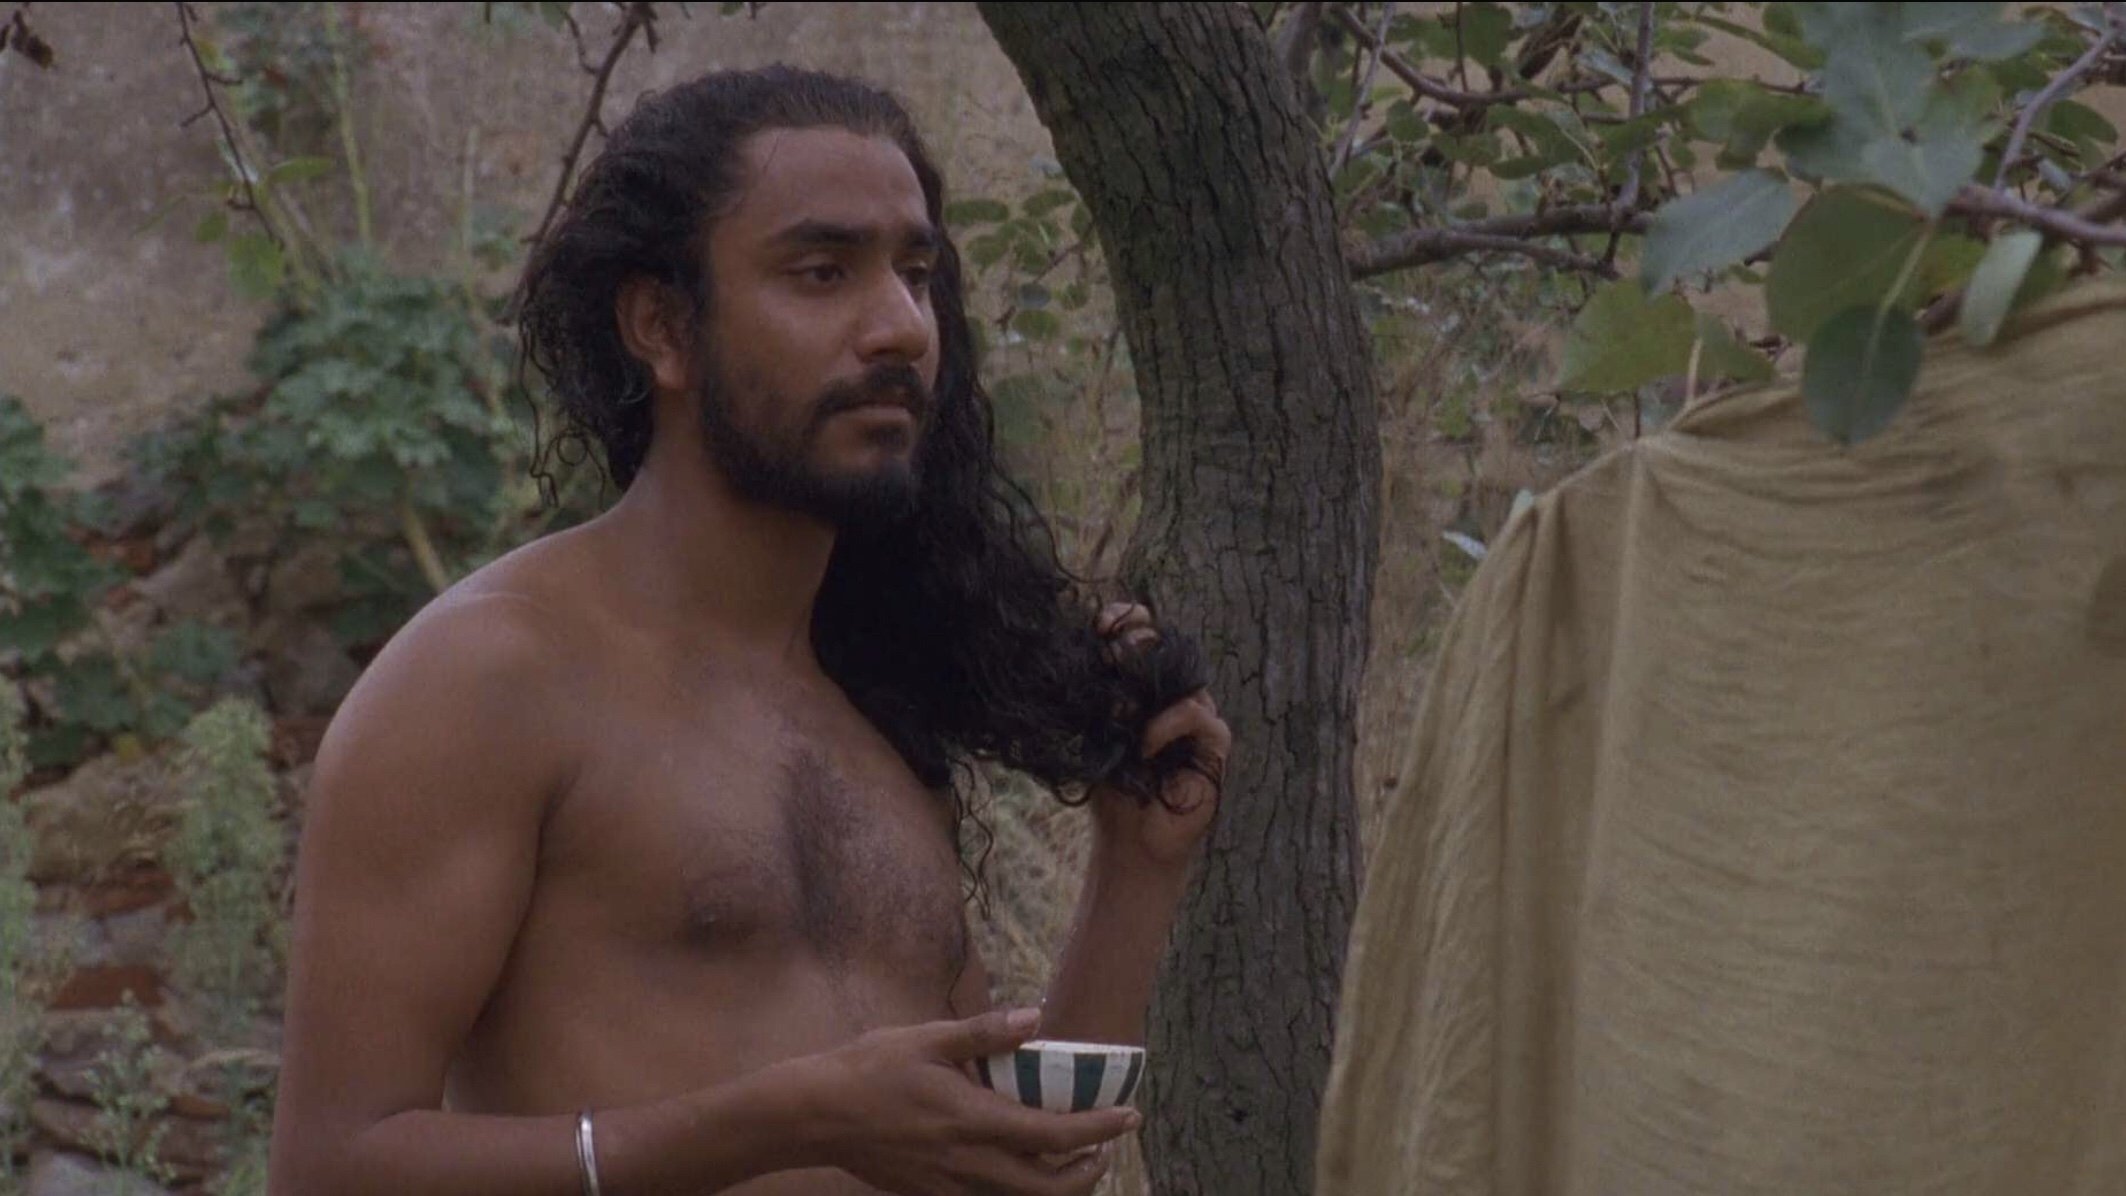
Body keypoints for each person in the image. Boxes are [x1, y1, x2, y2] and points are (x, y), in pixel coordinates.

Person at [266, 65, 1231, 1196]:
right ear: (662, 326)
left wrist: (1136, 872)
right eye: (822, 272)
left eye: (916, 274)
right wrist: (779, 1121)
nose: (899, 326)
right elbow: (328, 1169)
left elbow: (994, 1169)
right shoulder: (490, 678)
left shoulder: (874, 709)